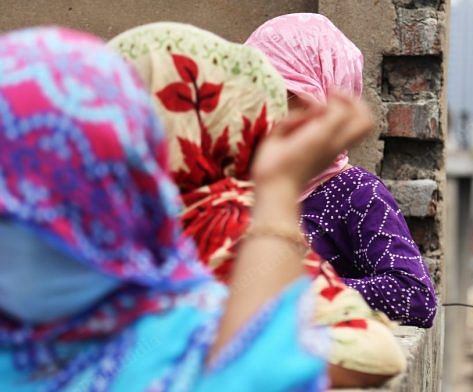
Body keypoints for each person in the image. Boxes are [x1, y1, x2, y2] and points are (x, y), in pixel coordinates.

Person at [0, 26, 372, 391]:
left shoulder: (346, 194)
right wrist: (278, 197)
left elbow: (390, 323)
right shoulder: (174, 310)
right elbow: (263, 367)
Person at [109, 22, 405, 387]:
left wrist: (281, 283)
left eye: (287, 97)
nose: (270, 114)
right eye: (260, 97)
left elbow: (411, 295)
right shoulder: (226, 212)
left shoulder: (355, 192)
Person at [246, 13, 438, 328]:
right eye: (251, 92)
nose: (260, 110)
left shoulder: (357, 195)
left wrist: (306, 294)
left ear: (321, 100)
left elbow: (414, 296)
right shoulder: (239, 186)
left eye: (280, 94)